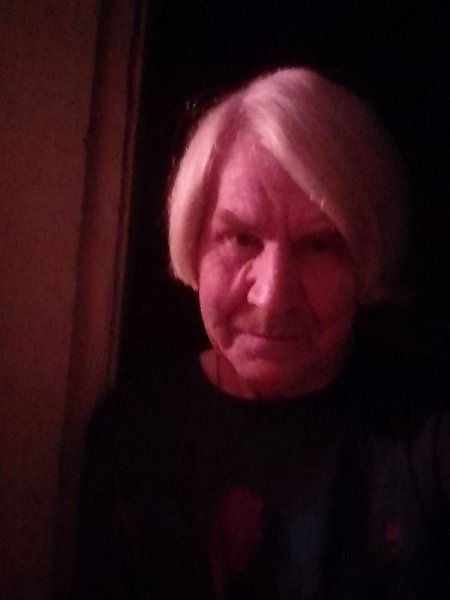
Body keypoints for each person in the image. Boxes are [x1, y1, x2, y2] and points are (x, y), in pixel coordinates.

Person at [75, 68, 450, 599]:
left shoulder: (428, 432)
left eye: (320, 245)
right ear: (193, 243)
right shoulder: (135, 434)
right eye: (240, 238)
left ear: (367, 256)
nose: (271, 299)